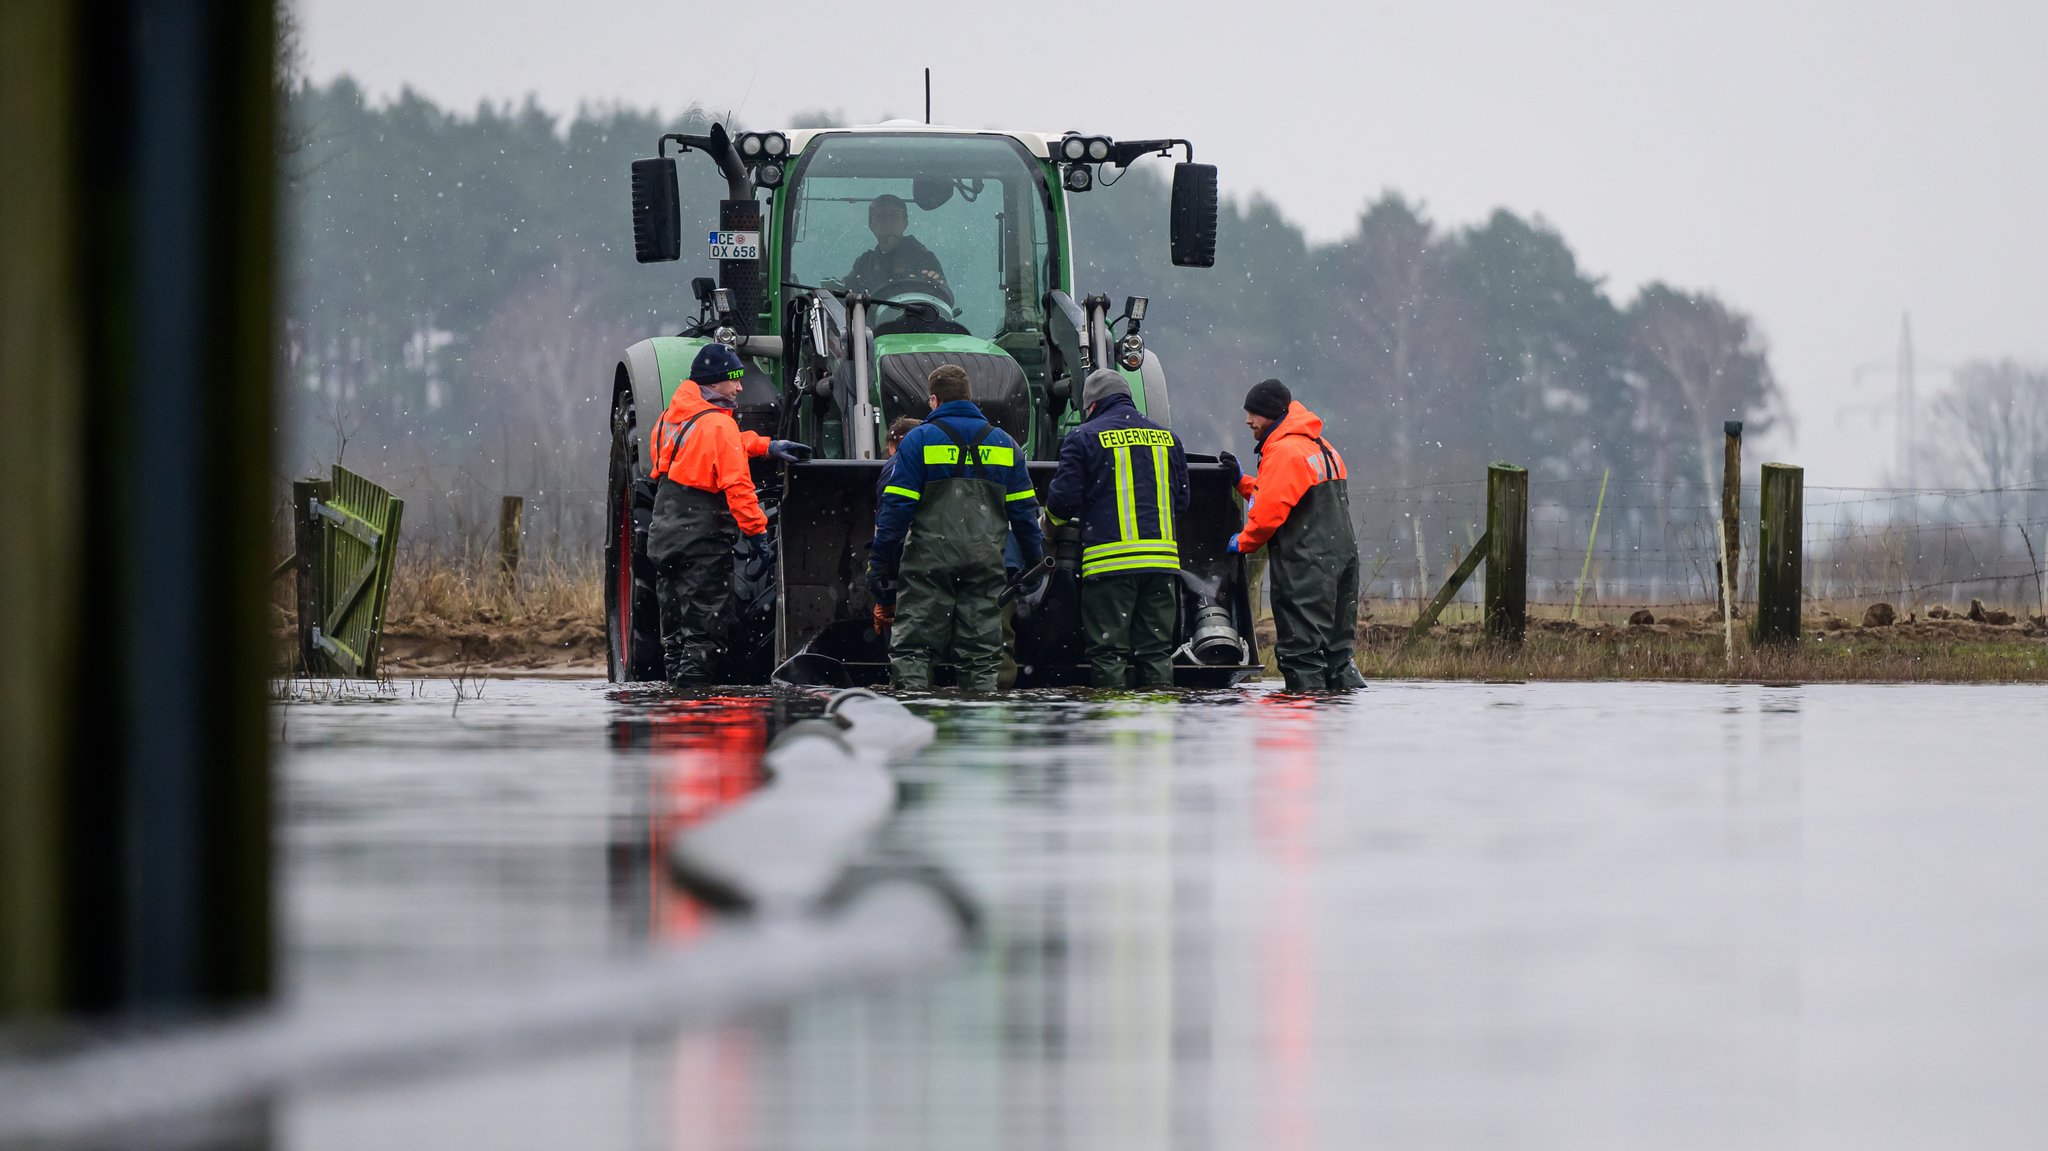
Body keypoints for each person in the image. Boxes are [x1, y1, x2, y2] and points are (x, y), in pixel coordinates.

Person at [868, 364, 1044, 691]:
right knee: (981, 653)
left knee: (915, 650)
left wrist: (878, 563)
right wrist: (1035, 561)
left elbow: (895, 509)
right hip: (985, 563)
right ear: (970, 398)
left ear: (934, 400)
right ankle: (978, 726)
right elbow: (1024, 514)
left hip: (929, 562)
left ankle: (913, 720)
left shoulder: (918, 441)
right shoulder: (1007, 446)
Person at [646, 343, 809, 686]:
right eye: (733, 380)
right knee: (706, 631)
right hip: (701, 541)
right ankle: (696, 708)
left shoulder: (669, 419)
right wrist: (757, 534)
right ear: (713, 382)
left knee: (673, 632)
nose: (739, 387)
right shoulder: (719, 428)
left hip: (665, 536)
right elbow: (738, 487)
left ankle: (673, 703)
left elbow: (707, 444)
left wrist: (765, 445)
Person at [1046, 368, 1189, 688]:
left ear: (1091, 406)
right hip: (1162, 564)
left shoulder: (1083, 437)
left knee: (1109, 652)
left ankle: (1112, 729)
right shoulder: (1168, 438)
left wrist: (1048, 527)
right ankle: (1157, 720)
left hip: (1110, 565)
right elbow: (1181, 502)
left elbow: (1063, 501)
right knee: (1155, 651)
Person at [1224, 378, 1365, 692]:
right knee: (1337, 653)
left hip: (1306, 567)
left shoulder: (1285, 451)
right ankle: (1341, 720)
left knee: (1301, 652)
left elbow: (1269, 511)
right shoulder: (1320, 446)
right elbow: (1286, 495)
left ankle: (1303, 713)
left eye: (1255, 414)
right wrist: (1243, 482)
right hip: (1341, 562)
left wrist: (1243, 542)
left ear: (1273, 414)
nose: (1249, 420)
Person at [844, 194, 948, 299]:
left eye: (894, 215)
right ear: (871, 223)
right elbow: (842, 295)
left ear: (905, 222)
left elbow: (942, 300)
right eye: (880, 216)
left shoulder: (923, 258)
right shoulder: (864, 263)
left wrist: (933, 287)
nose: (887, 221)